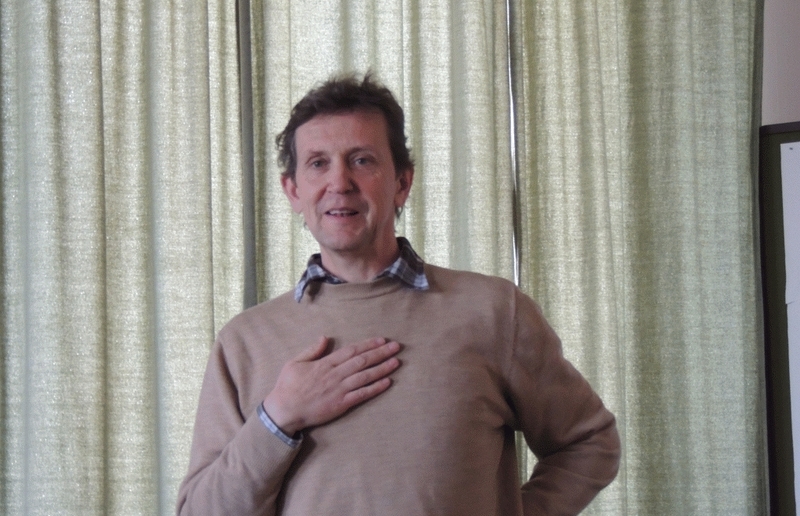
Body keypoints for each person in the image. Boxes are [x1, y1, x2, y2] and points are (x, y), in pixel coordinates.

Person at [176, 73, 620, 516]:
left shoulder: (494, 312)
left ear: (402, 182)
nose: (340, 182)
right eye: (318, 163)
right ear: (293, 191)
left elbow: (589, 442)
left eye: (362, 160)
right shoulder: (243, 343)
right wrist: (278, 416)